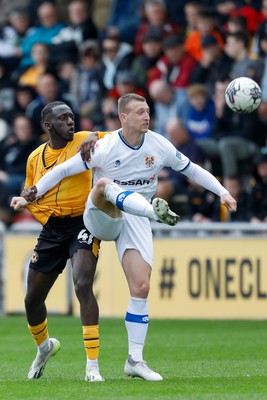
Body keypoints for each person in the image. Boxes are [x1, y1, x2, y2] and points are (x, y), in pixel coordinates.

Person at [11, 93, 237, 381]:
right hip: (99, 215)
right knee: (104, 183)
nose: (147, 116)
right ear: (124, 117)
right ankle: (155, 213)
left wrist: (223, 192)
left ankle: (135, 360)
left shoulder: (158, 145)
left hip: (135, 218)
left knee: (141, 286)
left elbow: (192, 169)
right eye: (140, 111)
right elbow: (63, 170)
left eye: (148, 111)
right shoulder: (104, 147)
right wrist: (31, 194)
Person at [10, 101, 109, 382]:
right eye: (63, 118)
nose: (70, 121)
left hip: (83, 222)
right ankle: (44, 348)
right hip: (53, 228)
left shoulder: (82, 139)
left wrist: (93, 136)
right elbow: (32, 189)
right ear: (47, 126)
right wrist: (22, 199)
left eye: (72, 117)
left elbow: (115, 138)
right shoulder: (35, 157)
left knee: (82, 284)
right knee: (32, 300)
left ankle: (92, 366)